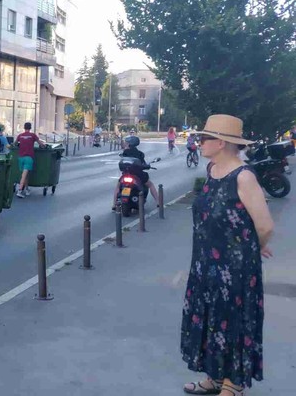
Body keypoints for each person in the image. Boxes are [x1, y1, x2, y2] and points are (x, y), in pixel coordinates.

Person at [180, 115, 273, 396]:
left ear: (221, 142)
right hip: (206, 263)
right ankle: (214, 376)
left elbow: (265, 224)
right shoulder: (212, 169)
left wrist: (255, 245)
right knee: (210, 318)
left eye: (204, 138)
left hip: (236, 268)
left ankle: (233, 384)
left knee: (232, 320)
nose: (199, 142)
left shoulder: (243, 176)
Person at [112, 135, 159, 206]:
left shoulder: (125, 152)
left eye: (126, 142)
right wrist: (147, 166)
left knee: (118, 186)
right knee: (150, 184)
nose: (125, 143)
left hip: (126, 174)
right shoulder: (140, 153)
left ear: (129, 144)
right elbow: (143, 163)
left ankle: (114, 204)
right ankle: (158, 202)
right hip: (138, 175)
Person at [15, 122, 44, 198]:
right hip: (28, 158)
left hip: (21, 158)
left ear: (24, 127)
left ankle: (27, 189)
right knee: (24, 175)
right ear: (30, 128)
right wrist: (44, 146)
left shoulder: (20, 136)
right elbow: (40, 143)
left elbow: (15, 144)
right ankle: (20, 190)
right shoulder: (33, 135)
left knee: (25, 175)